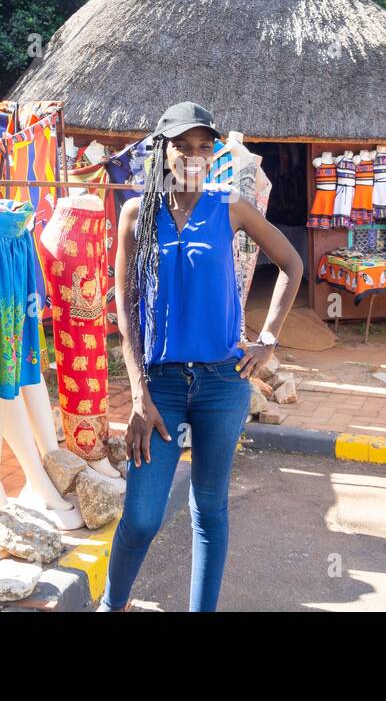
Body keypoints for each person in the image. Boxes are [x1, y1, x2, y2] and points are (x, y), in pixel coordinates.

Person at [98, 102, 303, 612]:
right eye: (182, 146)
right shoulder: (135, 213)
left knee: (208, 509)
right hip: (160, 385)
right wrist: (139, 393)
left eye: (203, 147)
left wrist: (268, 341)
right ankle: (111, 604)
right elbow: (125, 308)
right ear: (162, 151)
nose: (193, 156)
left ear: (213, 155)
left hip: (222, 382)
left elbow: (291, 263)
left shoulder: (230, 206)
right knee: (142, 515)